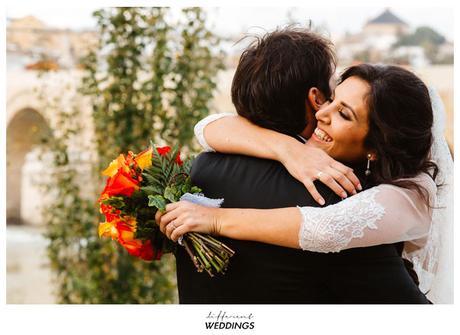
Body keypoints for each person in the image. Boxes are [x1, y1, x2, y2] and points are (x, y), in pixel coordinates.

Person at [161, 27, 435, 304]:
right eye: (331, 97)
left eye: (341, 110)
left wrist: (217, 219)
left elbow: (207, 127)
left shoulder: (203, 167)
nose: (324, 110)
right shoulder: (340, 197)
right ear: (314, 97)